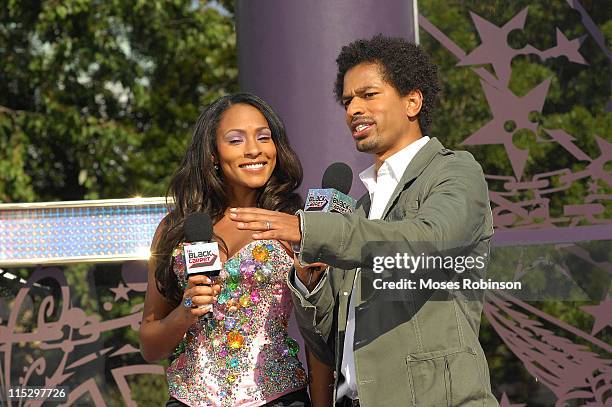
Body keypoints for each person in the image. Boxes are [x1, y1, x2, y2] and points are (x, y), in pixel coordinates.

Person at [229, 35, 499, 406]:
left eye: (368, 95)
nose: (353, 108)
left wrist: (308, 228)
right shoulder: (358, 208)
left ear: (412, 101)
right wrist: (312, 284)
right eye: (347, 101)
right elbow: (327, 340)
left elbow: (428, 240)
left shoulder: (455, 171)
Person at [140, 93, 319, 407]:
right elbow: (150, 346)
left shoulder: (295, 226)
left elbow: (318, 334)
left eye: (264, 138)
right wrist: (184, 313)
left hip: (278, 398)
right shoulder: (175, 229)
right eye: (236, 140)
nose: (254, 150)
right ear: (212, 154)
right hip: (189, 398)